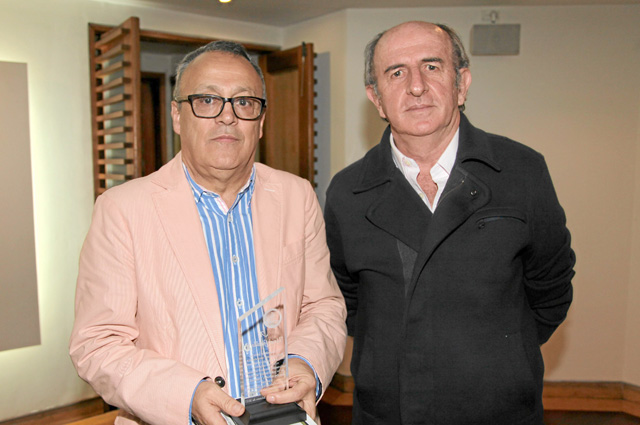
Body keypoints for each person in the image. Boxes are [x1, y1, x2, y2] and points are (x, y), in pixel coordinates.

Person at [70, 40, 347, 425]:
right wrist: (186, 395)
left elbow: (323, 306)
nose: (227, 116)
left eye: (244, 102)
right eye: (207, 100)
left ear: (260, 122)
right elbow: (97, 343)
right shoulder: (122, 209)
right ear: (177, 116)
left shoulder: (296, 196)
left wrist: (304, 363)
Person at [324, 21, 575, 425]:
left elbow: (551, 286)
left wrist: (502, 354)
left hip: (500, 410)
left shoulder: (522, 172)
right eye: (396, 72)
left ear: (462, 84)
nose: (416, 86)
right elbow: (348, 303)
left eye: (432, 66)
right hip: (389, 411)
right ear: (376, 98)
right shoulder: (347, 192)